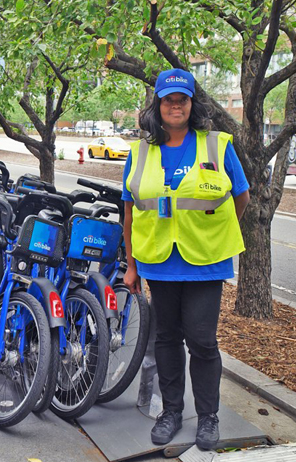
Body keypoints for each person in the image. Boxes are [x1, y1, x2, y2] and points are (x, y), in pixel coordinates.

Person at [122, 69, 250, 450]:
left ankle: (208, 418)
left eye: (182, 99)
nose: (175, 105)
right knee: (166, 340)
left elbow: (240, 196)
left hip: (204, 264)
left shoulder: (217, 145)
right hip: (159, 262)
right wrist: (131, 265)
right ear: (157, 106)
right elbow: (129, 212)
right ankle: (172, 411)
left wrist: (215, 234)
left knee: (203, 342)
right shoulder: (140, 151)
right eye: (167, 99)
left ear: (192, 104)